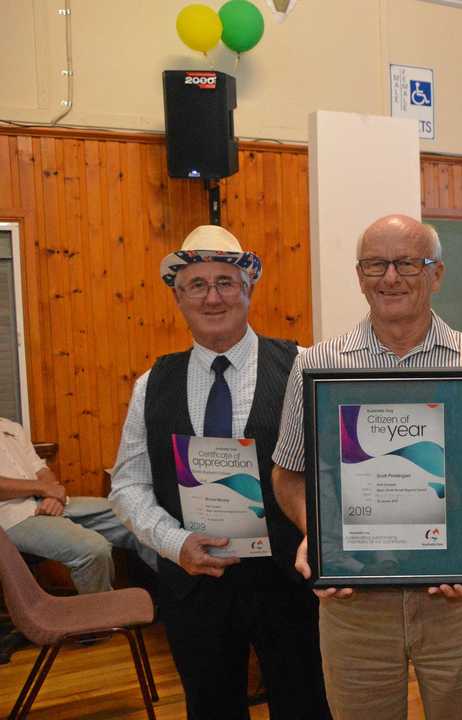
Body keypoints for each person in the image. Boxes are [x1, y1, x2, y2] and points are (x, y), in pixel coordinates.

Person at [271, 214, 462, 720]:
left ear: (436, 274)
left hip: (456, 599)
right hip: (352, 601)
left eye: (407, 263)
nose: (390, 277)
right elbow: (288, 475)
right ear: (359, 275)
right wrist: (321, 534)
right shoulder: (316, 365)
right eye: (375, 264)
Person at [109, 225, 330, 719]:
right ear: (178, 297)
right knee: (210, 709)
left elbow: (329, 472)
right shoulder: (152, 384)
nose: (213, 297)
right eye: (197, 284)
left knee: (307, 706)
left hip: (288, 581)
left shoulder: (302, 367)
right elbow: (128, 484)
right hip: (194, 583)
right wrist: (173, 543)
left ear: (248, 289)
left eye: (226, 282)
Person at [1, 417, 153, 593]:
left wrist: (53, 497)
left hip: (45, 503)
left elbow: (41, 470)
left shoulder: (11, 427)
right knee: (94, 549)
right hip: (11, 518)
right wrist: (45, 490)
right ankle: (105, 617)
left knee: (136, 515)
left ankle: (170, 597)